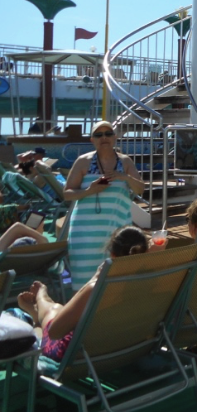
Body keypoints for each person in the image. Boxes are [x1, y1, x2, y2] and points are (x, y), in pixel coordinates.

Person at [16, 226, 151, 362]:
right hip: (123, 348)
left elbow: (55, 332)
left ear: (112, 255)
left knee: (54, 311)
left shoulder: (97, 289)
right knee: (57, 309)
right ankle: (40, 309)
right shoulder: (155, 283)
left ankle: (40, 299)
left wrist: (94, 280)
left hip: (78, 354)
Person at [63, 121, 145, 292]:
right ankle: (82, 315)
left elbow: (140, 189)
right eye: (98, 135)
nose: (104, 138)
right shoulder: (83, 162)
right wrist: (90, 190)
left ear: (115, 137)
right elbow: (67, 193)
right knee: (84, 283)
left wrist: (125, 177)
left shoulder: (125, 162)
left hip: (117, 232)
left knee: (116, 279)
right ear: (92, 140)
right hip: (85, 233)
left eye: (108, 133)